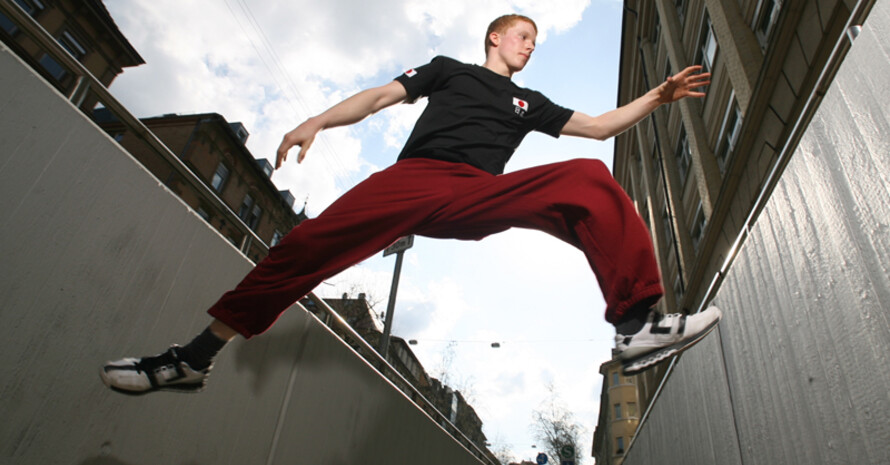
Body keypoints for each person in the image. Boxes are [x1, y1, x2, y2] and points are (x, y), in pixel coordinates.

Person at [100, 14, 721, 395]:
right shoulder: (449, 69)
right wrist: (319, 119)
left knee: (588, 179)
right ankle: (192, 359)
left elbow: (602, 128)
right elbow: (379, 98)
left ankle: (638, 325)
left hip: (477, 192)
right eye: (524, 37)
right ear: (496, 37)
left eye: (536, 43)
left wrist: (656, 97)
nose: (531, 48)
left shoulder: (529, 102)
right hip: (414, 179)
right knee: (308, 247)